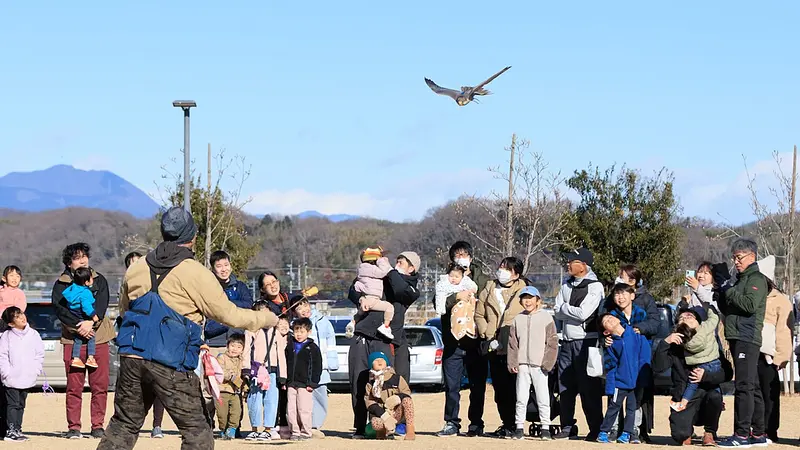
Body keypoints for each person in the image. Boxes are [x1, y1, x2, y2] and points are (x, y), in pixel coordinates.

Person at [98, 206, 278, 450]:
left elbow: (124, 310)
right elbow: (229, 315)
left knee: (123, 425)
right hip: (170, 362)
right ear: (192, 236)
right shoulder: (195, 272)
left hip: (131, 356)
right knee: (197, 432)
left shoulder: (137, 267)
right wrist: (266, 319)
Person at [349, 250, 420, 439]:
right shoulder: (380, 275)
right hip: (364, 332)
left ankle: (395, 423)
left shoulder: (409, 287)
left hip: (386, 338)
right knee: (360, 381)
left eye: (402, 262)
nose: (396, 263)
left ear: (412, 268)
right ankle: (362, 426)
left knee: (389, 384)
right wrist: (360, 299)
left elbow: (399, 290)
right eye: (396, 260)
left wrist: (389, 270)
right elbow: (354, 287)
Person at [51, 242, 113, 440]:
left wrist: (90, 325)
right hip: (72, 339)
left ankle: (97, 426)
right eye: (77, 258)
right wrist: (80, 326)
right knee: (74, 386)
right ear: (69, 263)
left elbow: (102, 306)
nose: (82, 260)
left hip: (99, 338)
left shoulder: (99, 280)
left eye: (84, 256)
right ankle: (74, 427)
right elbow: (60, 310)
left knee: (99, 386)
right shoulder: (61, 284)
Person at [717, 238, 768, 448]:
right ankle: (758, 434)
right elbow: (729, 308)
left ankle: (742, 434)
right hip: (740, 336)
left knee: (744, 386)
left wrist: (729, 290)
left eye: (739, 257)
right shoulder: (740, 279)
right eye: (734, 257)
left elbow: (748, 305)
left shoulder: (756, 278)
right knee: (752, 386)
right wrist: (722, 290)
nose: (735, 261)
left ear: (752, 256)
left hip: (747, 336)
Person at [653, 307, 730, 445]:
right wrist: (665, 343)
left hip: (706, 392)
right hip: (684, 395)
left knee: (715, 396)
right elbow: (659, 367)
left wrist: (706, 376)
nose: (686, 317)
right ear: (677, 326)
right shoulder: (675, 345)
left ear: (699, 323)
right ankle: (687, 428)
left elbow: (728, 373)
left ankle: (709, 431)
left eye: (690, 316)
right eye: (682, 318)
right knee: (680, 436)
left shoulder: (710, 341)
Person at [437, 241, 490, 438]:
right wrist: (456, 296)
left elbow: (487, 302)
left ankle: (476, 423)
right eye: (457, 256)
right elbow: (439, 304)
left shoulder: (482, 279)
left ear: (471, 257)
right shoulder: (445, 280)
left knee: (478, 386)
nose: (462, 258)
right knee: (452, 386)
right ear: (452, 260)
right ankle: (451, 422)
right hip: (453, 342)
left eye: (465, 254)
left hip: (476, 341)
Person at [553, 247, 604, 440]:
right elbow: (556, 310)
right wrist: (567, 310)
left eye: (572, 261)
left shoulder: (595, 286)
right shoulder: (566, 284)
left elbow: (584, 313)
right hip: (566, 342)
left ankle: (596, 428)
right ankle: (566, 426)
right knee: (565, 387)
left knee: (589, 388)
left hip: (586, 342)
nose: (568, 264)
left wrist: (565, 308)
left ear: (583, 265)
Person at [474, 256, 528, 438]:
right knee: (500, 388)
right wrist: (486, 333)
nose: (502, 270)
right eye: (501, 266)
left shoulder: (524, 290)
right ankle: (506, 423)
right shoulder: (489, 287)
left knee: (516, 386)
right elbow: (479, 313)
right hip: (494, 345)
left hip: (516, 345)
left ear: (516, 274)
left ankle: (517, 424)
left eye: (507, 268)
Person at [507, 286, 558, 441]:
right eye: (524, 298)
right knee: (521, 397)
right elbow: (512, 343)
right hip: (522, 365)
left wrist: (547, 363)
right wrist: (513, 361)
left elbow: (552, 342)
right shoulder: (517, 318)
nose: (527, 301)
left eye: (531, 298)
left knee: (543, 397)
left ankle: (545, 428)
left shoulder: (546, 318)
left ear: (538, 301)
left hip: (539, 366)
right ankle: (519, 427)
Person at [755, 256, 794, 442]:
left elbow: (785, 331)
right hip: (750, 350)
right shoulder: (751, 297)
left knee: (769, 395)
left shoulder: (781, 300)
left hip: (769, 356)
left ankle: (770, 431)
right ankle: (753, 430)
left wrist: (781, 357)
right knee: (751, 393)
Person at [596, 314, 651, 444]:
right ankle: (604, 432)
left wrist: (643, 379)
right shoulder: (611, 344)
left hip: (635, 382)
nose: (610, 320)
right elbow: (611, 366)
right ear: (606, 331)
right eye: (606, 321)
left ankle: (627, 433)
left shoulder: (636, 335)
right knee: (613, 407)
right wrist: (611, 385)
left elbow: (644, 358)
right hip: (619, 383)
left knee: (632, 409)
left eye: (610, 317)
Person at [292, 295, 337, 436]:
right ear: (294, 312)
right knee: (302, 399)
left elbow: (331, 341)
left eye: (304, 305)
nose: (303, 309)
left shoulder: (323, 321)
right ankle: (304, 425)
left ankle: (315, 426)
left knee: (320, 396)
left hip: (320, 367)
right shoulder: (294, 326)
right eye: (298, 308)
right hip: (301, 370)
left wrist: (331, 362)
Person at [243, 303, 288, 441]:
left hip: (272, 370)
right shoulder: (250, 330)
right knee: (254, 399)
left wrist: (283, 375)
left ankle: (268, 429)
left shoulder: (275, 331)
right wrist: (246, 369)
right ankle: (254, 429)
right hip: (255, 370)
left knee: (271, 400)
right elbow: (247, 350)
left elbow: (280, 352)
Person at [0, 307, 44, 442]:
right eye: (17, 317)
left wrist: (36, 370)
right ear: (11, 323)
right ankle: (10, 430)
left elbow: (39, 354)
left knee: (21, 404)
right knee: (12, 404)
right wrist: (5, 373)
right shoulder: (6, 337)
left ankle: (18, 429)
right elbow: (2, 356)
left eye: (22, 314)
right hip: (12, 377)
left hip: (27, 376)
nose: (22, 318)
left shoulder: (33, 334)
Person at [671, 308, 721, 412]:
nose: (687, 317)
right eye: (683, 318)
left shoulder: (685, 340)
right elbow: (714, 318)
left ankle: (683, 402)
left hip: (700, 364)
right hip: (715, 362)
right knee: (714, 385)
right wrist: (709, 307)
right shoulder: (705, 327)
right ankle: (721, 402)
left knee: (692, 383)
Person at [205, 250, 254, 352]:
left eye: (226, 265)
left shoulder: (240, 286)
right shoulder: (209, 288)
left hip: (238, 342)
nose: (224, 269)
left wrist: (228, 304)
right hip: (215, 343)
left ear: (230, 266)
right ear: (213, 269)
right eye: (219, 266)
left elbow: (248, 305)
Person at [285, 317, 322, 441]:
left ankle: (306, 432)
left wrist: (312, 383)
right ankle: (294, 431)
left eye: (302, 331)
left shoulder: (312, 348)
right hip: (291, 383)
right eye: (296, 331)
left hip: (305, 384)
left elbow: (317, 366)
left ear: (309, 332)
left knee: (304, 408)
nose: (299, 334)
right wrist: (284, 381)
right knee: (291, 409)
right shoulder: (289, 346)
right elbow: (285, 364)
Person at [365, 351, 415, 440]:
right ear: (371, 365)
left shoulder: (397, 378)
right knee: (375, 423)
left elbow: (407, 393)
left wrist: (397, 397)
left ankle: (410, 430)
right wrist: (384, 416)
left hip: (396, 412)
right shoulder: (370, 384)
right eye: (376, 360)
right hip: (381, 414)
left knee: (407, 401)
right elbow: (369, 403)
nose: (379, 362)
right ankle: (382, 432)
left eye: (382, 360)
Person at [351, 247, 395, 339]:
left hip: (365, 299)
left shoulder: (361, 271)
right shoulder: (374, 270)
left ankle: (352, 322)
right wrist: (382, 261)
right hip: (373, 299)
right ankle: (386, 327)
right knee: (389, 307)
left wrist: (361, 298)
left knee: (360, 314)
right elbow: (384, 272)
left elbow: (356, 287)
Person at [62, 267, 99, 369]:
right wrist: (94, 315)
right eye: (91, 278)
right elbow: (86, 307)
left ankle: (76, 358)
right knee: (91, 336)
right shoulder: (85, 293)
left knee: (78, 338)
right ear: (86, 282)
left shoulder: (72, 289)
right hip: (83, 315)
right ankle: (91, 357)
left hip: (74, 315)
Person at [436, 263, 479, 341]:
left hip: (468, 305)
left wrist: (471, 291)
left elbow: (474, 287)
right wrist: (441, 310)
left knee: (472, 302)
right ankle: (458, 331)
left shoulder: (465, 281)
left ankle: (470, 329)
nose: (453, 279)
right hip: (455, 308)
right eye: (451, 276)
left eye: (457, 277)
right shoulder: (443, 284)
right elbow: (440, 297)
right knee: (459, 310)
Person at [216, 333, 246, 440]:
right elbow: (220, 372)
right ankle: (223, 429)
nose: (235, 349)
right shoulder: (221, 357)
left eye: (239, 347)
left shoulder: (242, 360)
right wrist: (232, 377)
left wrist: (245, 387)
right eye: (232, 346)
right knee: (222, 414)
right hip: (223, 390)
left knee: (236, 413)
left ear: (242, 349)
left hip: (235, 392)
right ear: (227, 346)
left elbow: (243, 375)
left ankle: (232, 429)